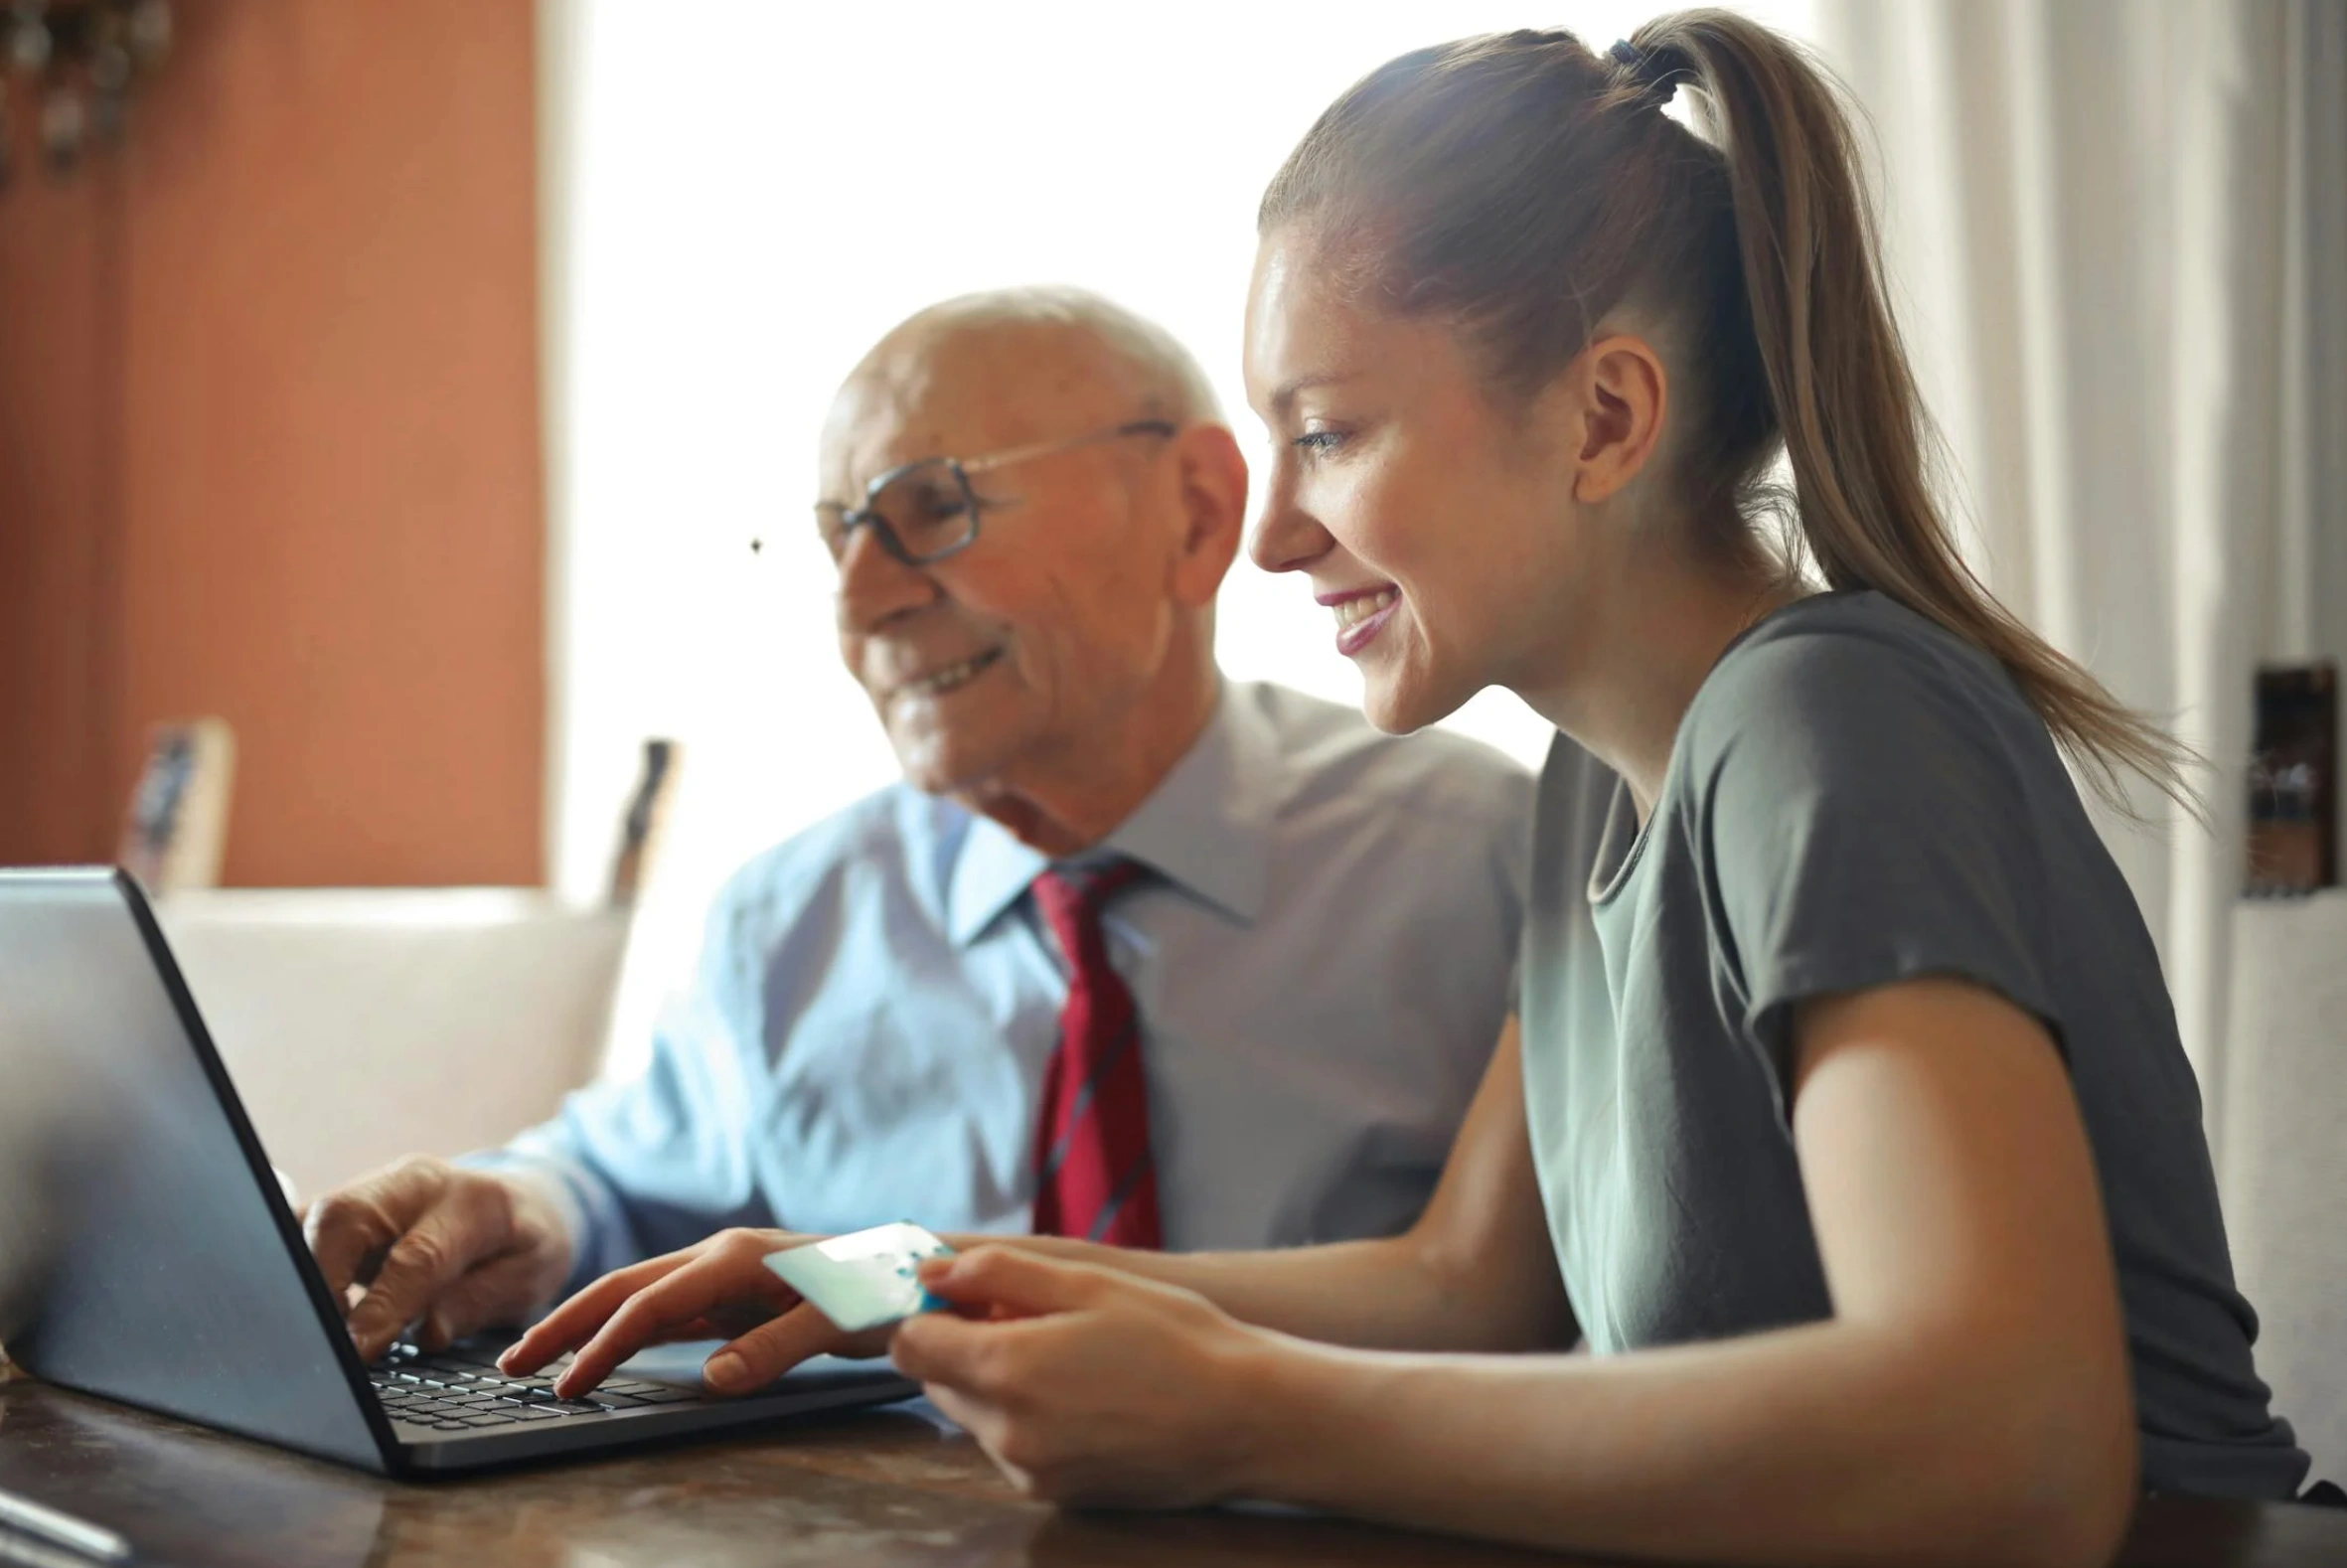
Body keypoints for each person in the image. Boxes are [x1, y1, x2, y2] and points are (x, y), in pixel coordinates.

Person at [499, 15, 2315, 1566]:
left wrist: (1242, 1417)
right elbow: (1468, 1283)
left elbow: (2013, 1441)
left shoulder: (1824, 722)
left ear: (1605, 420)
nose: (1276, 532)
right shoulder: (1592, 789)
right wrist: (883, 1276)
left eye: (1329, 431)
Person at [301, 287, 1533, 1371]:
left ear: (1198, 513)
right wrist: (523, 1210)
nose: (860, 603)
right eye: (840, 534)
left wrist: (885, 1278)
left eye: (930, 509)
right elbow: (623, 1182)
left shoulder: (1482, 860)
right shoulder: (791, 917)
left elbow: (1532, 1308)